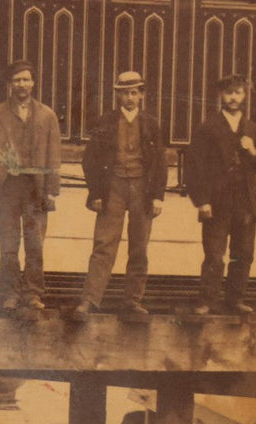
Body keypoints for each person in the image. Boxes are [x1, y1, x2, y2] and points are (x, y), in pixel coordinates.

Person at [73, 70, 167, 319]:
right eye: (124, 92)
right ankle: (90, 300)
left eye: (134, 92)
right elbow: (90, 159)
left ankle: (133, 300)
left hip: (141, 189)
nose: (129, 97)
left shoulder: (152, 124)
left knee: (139, 246)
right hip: (112, 187)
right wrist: (96, 192)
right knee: (104, 244)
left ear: (142, 95)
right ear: (117, 95)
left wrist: (157, 196)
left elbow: (159, 162)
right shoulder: (104, 122)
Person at [0, 60, 61, 311]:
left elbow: (54, 155)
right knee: (9, 245)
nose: (21, 84)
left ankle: (34, 293)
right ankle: (11, 293)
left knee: (35, 243)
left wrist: (52, 190)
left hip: (35, 189)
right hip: (7, 189)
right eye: (17, 80)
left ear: (33, 82)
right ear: (9, 84)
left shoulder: (47, 116)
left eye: (26, 79)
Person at [186, 73, 256, 314]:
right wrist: (202, 201)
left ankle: (235, 300)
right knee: (214, 255)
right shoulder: (208, 128)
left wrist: (253, 150)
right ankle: (208, 301)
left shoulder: (253, 129)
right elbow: (194, 168)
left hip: (245, 202)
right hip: (217, 202)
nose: (233, 97)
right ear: (221, 95)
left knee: (243, 254)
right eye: (228, 92)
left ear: (245, 96)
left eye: (237, 92)